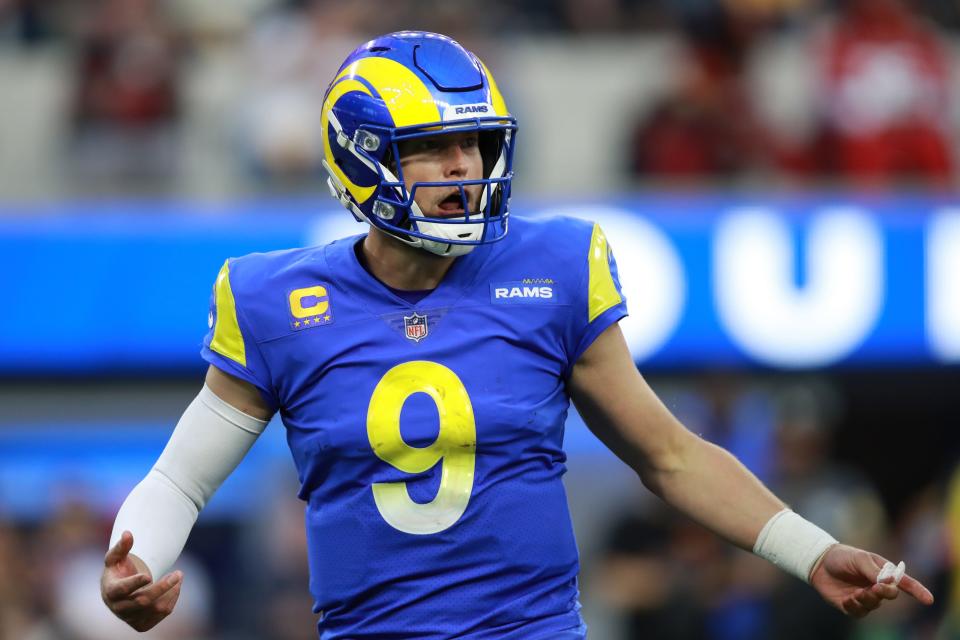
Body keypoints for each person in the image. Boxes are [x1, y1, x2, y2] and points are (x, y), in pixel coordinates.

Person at [99, 31, 934, 639]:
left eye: (476, 143)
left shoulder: (554, 266)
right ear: (362, 159)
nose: (466, 166)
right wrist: (135, 564)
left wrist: (810, 550)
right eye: (435, 149)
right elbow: (180, 481)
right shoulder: (277, 298)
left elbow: (669, 454)